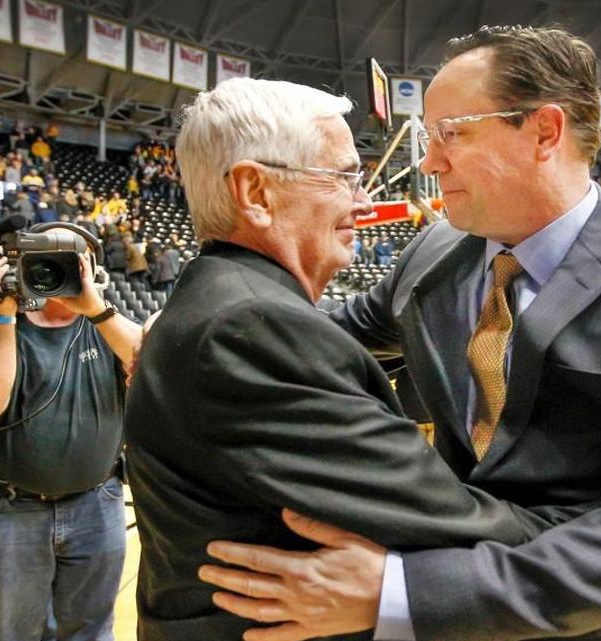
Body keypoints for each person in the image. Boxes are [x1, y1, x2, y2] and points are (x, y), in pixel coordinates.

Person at [200, 25, 601, 641]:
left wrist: (402, 595)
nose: (429, 161)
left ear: (544, 131)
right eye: (428, 137)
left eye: (452, 133)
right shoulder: (432, 252)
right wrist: (173, 330)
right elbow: (320, 341)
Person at [123, 77, 557, 641]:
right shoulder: (253, 328)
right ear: (256, 192)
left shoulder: (224, 306)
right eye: (343, 177)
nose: (365, 201)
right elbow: (444, 522)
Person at [0, 232, 141, 641]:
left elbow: (154, 366)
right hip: (10, 508)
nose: (55, 273)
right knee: (11, 633)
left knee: (91, 632)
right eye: (44, 262)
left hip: (97, 503)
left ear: (93, 270)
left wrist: (96, 309)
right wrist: (2, 315)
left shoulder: (106, 327)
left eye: (71, 262)